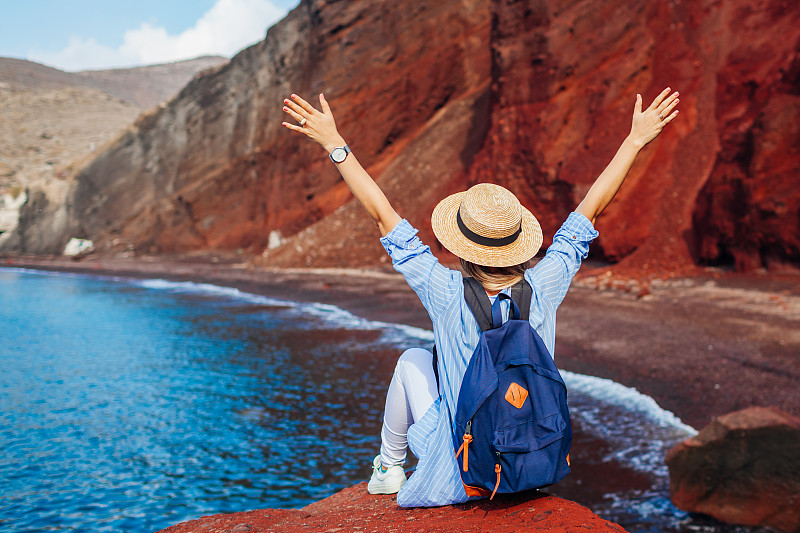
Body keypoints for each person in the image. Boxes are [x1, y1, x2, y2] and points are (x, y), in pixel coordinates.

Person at [281, 88, 679, 507]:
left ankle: (389, 467)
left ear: (461, 246)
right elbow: (590, 211)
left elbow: (383, 216)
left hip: (460, 474)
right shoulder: (545, 284)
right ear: (518, 242)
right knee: (439, 362)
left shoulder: (444, 291)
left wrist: (335, 144)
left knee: (413, 359)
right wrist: (635, 140)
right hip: (528, 464)